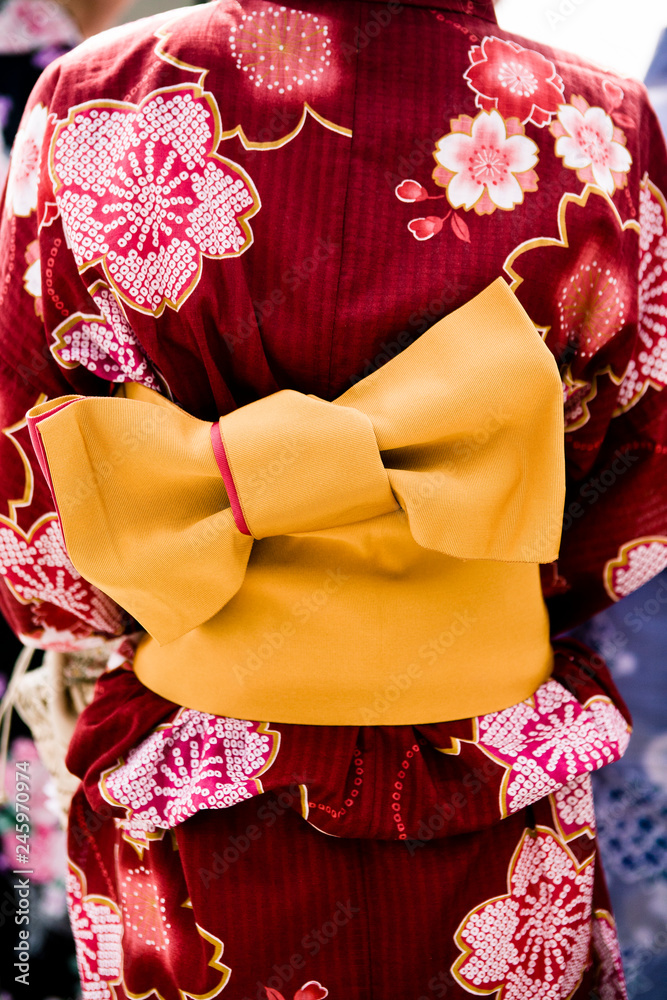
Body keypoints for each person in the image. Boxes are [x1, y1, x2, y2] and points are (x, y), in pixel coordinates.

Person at [0, 1, 666, 997]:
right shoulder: (602, 127)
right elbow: (634, 500)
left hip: (196, 779)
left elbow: (34, 513)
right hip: (478, 770)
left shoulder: (98, 99)